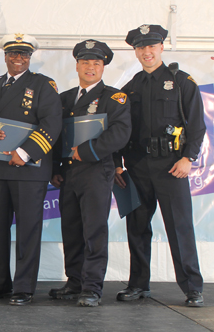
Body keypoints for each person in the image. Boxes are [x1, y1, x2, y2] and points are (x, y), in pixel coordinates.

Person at [115, 24, 205, 307]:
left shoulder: (182, 82)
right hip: (138, 167)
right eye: (141, 47)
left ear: (161, 48)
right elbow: (121, 129)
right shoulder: (130, 88)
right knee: (137, 227)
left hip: (171, 166)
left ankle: (192, 288)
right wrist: (118, 163)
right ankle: (138, 284)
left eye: (151, 46)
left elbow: (197, 125)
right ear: (136, 52)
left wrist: (188, 158)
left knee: (180, 227)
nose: (146, 52)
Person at [0, 33, 62, 306]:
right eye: (13, 54)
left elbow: (52, 123)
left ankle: (23, 288)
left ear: (30, 57)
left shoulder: (44, 85)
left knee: (27, 230)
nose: (18, 58)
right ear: (5, 56)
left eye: (24, 54)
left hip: (29, 169)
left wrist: (25, 152)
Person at [49, 40, 131, 307]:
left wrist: (85, 151)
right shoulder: (63, 99)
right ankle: (74, 282)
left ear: (103, 67)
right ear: (77, 65)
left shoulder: (115, 97)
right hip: (69, 173)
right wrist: (55, 169)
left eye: (96, 63)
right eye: (85, 62)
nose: (91, 67)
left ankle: (92, 287)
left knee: (94, 231)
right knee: (71, 229)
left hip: (97, 171)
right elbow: (55, 136)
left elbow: (120, 133)